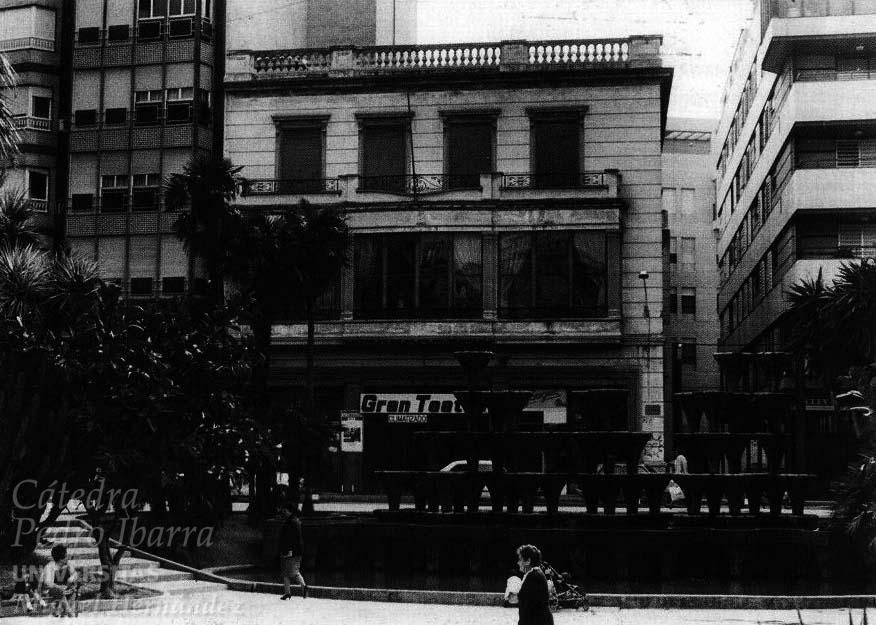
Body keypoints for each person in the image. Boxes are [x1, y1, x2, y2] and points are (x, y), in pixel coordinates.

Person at [515, 544, 553, 625]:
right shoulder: (534, 574)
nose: (518, 563)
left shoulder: (533, 577)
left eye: (520, 559)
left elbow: (528, 608)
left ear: (528, 561)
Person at [278, 504, 308, 600]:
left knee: (293, 572)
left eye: (285, 510)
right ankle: (287, 592)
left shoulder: (292, 522)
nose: (284, 512)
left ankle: (304, 587)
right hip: (291, 551)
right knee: (285, 572)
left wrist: (287, 549)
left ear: (289, 511)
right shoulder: (293, 521)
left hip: (292, 551)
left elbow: (291, 539)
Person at [41, 544, 77, 617]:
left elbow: (75, 574)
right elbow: (48, 583)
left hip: (64, 588)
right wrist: (59, 587)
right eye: (66, 556)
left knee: (73, 589)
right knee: (60, 592)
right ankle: (69, 613)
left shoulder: (68, 564)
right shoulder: (49, 567)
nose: (67, 557)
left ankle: (62, 612)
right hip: (51, 590)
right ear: (61, 559)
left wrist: (71, 578)